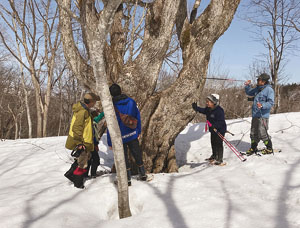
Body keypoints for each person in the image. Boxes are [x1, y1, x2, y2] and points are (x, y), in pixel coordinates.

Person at [107, 83, 147, 186]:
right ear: (120, 90)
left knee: (124, 158)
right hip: (132, 133)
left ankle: (127, 179)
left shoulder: (111, 107)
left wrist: (110, 142)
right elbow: (137, 117)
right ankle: (142, 174)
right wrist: (138, 131)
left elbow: (110, 125)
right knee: (137, 154)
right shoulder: (131, 102)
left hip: (120, 137)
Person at [64, 92, 100, 188]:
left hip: (85, 141)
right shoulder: (82, 111)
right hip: (82, 141)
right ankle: (78, 184)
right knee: (82, 163)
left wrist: (94, 114)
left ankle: (70, 174)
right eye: (95, 101)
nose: (95, 103)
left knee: (82, 160)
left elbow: (86, 122)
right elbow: (77, 128)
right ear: (91, 102)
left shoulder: (85, 110)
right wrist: (79, 143)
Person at [192, 94, 227, 165]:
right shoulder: (208, 109)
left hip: (220, 130)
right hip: (212, 129)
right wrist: (196, 108)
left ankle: (219, 159)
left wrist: (214, 126)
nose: (207, 103)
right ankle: (214, 156)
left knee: (218, 144)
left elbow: (221, 122)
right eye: (207, 101)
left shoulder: (219, 110)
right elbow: (203, 110)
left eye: (208, 102)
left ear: (213, 102)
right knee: (213, 142)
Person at [244, 73, 274, 155]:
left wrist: (263, 105)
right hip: (255, 115)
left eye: (259, 80)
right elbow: (249, 92)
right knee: (253, 132)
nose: (257, 81)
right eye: (257, 79)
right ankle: (253, 148)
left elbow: (271, 103)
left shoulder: (269, 90)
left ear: (263, 81)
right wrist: (247, 85)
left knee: (262, 132)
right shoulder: (257, 88)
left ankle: (269, 148)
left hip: (263, 116)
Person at [85, 110, 104, 178]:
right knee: (96, 160)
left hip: (89, 144)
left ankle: (86, 174)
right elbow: (92, 136)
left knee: (90, 160)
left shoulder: (90, 121)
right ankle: (93, 174)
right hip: (92, 144)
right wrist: (95, 144)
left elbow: (99, 117)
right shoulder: (92, 123)